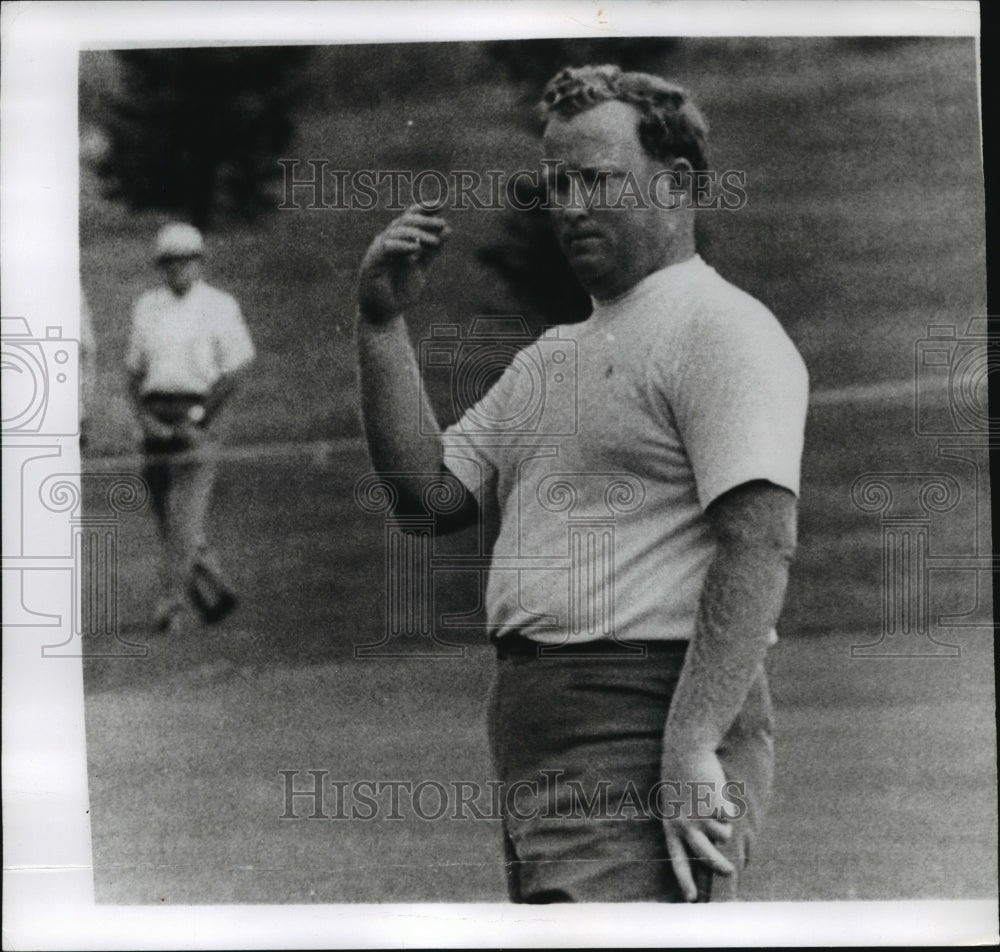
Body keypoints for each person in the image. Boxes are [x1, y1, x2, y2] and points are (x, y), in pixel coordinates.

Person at [356, 65, 808, 902]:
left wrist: (690, 743)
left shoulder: (721, 328)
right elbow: (428, 499)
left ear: (674, 186)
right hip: (537, 726)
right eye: (554, 182)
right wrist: (383, 326)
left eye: (593, 178)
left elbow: (761, 539)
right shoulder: (552, 356)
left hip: (644, 714)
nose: (566, 204)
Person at [126, 222, 255, 633]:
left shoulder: (220, 305)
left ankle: (173, 607)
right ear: (160, 266)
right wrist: (146, 420)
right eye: (169, 261)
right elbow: (133, 373)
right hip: (155, 417)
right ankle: (216, 586)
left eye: (185, 260)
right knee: (168, 517)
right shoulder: (147, 306)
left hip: (198, 415)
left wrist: (198, 418)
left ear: (199, 263)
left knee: (186, 517)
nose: (178, 269)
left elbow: (235, 370)